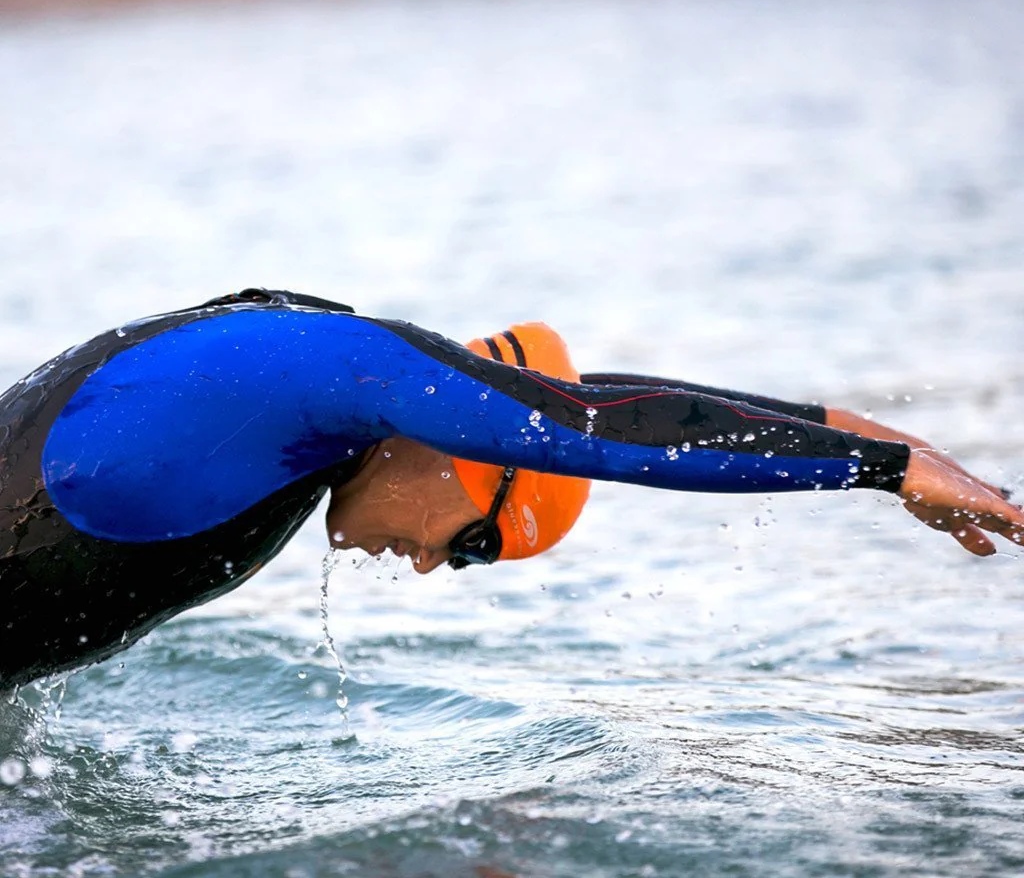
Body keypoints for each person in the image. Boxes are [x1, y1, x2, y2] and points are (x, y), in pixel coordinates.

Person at [1, 288, 1020, 693]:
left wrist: (884, 440)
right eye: (475, 545)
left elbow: (615, 400)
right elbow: (593, 425)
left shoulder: (298, 432)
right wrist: (884, 471)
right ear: (467, 450)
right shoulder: (329, 369)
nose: (431, 564)